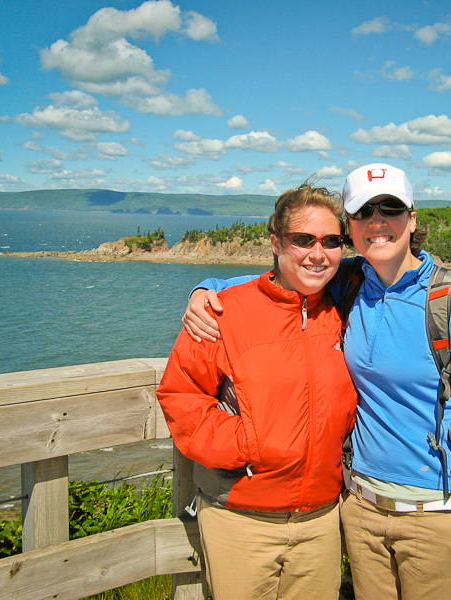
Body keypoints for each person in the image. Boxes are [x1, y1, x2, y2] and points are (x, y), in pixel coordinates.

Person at [183, 163, 451, 600]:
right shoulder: (349, 283)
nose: (377, 223)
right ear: (352, 227)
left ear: (413, 219)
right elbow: (279, 279)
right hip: (358, 508)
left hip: (435, 513)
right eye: (363, 212)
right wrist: (206, 288)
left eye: (390, 209)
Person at [156, 183, 357, 600]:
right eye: (303, 240)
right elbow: (181, 394)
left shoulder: (345, 306)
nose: (317, 254)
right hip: (240, 520)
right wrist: (245, 443)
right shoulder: (224, 311)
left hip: (321, 522)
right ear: (276, 242)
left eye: (331, 241)